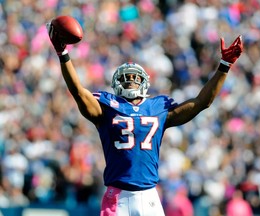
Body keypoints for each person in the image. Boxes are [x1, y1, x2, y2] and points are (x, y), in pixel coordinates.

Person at [46, 21, 243, 215]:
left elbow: (201, 103)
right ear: (116, 84)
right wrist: (63, 54)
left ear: (144, 83)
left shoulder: (157, 106)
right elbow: (79, 93)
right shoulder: (107, 105)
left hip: (149, 196)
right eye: (125, 78)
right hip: (118, 196)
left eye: (134, 78)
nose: (130, 80)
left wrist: (224, 66)